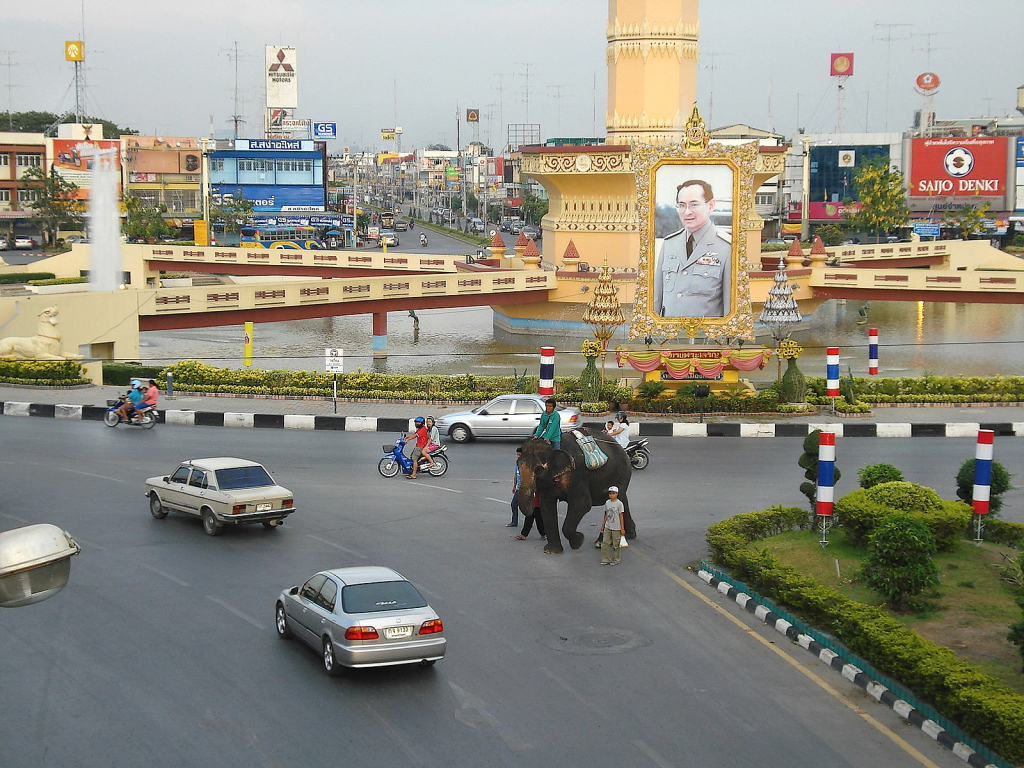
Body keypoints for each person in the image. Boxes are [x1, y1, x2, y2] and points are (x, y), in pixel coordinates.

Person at [653, 179, 732, 318]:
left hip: (706, 337)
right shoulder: (669, 243)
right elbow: (657, 299)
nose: (687, 212)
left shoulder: (727, 248)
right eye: (682, 205)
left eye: (694, 204)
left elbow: (731, 309)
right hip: (669, 337)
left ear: (711, 206)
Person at [599, 486, 626, 566]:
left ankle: (616, 559)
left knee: (616, 544)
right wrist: (602, 526)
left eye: (613, 493)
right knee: (605, 543)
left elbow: (621, 516)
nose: (611, 495)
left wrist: (622, 528)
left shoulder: (619, 504)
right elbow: (606, 515)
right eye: (610, 493)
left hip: (616, 527)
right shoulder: (607, 503)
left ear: (617, 494)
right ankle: (605, 559)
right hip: (608, 526)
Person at [508, 447, 523, 527]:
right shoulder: (517, 463)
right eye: (517, 454)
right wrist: (514, 486)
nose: (518, 456)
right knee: (514, 504)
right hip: (518, 487)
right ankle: (514, 521)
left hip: (523, 488)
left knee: (514, 504)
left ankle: (515, 522)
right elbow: (515, 475)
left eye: (519, 454)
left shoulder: (525, 464)